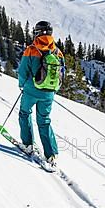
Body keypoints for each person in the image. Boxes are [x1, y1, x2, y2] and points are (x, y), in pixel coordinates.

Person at [17, 21, 65, 165]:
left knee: (24, 114)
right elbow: (62, 73)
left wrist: (22, 86)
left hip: (31, 91)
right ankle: (51, 154)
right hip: (49, 93)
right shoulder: (57, 51)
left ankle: (27, 144)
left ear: (37, 33)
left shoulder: (31, 50)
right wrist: (54, 90)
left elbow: (22, 72)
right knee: (44, 121)